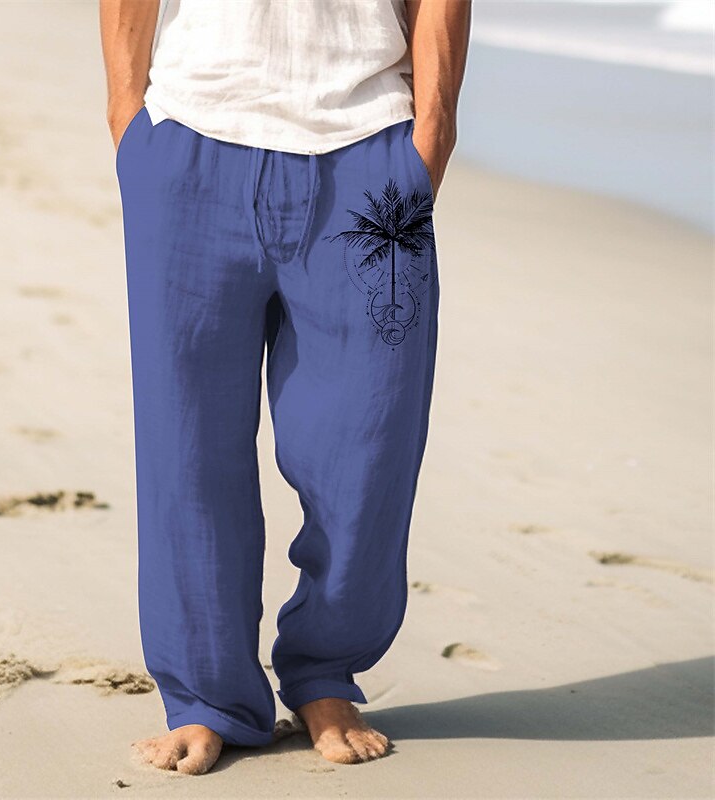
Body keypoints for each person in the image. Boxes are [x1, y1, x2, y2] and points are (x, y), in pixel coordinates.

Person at [100, 0, 471, 775]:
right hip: (190, 142)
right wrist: (128, 116)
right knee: (186, 447)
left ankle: (326, 672)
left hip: (370, 149)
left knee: (369, 447)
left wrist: (431, 132)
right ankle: (206, 696)